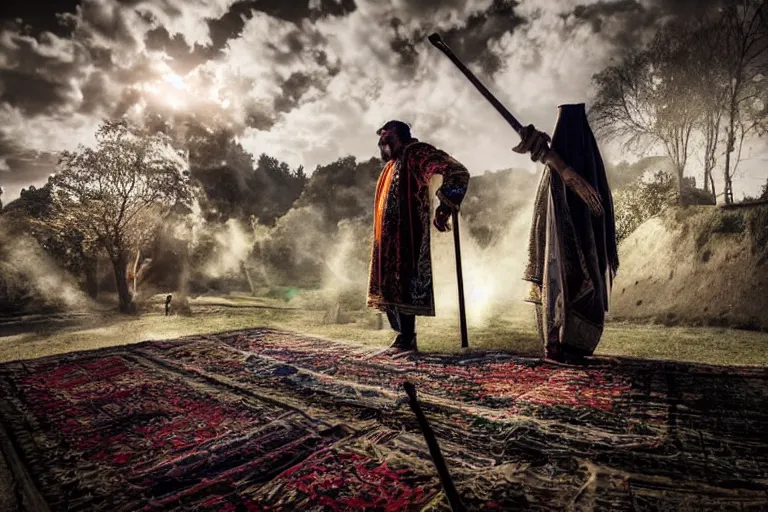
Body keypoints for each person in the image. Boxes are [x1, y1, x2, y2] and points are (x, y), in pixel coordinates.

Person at [514, 104, 619, 364]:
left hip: (578, 235)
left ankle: (568, 344)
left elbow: (595, 202)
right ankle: (555, 343)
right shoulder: (555, 166)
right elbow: (548, 159)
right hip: (559, 236)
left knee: (575, 280)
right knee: (557, 277)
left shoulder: (582, 164)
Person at [367, 120, 470, 352]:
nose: (383, 144)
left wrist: (444, 207)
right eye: (382, 141)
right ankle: (404, 336)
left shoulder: (417, 153)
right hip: (388, 237)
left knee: (405, 277)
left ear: (400, 136)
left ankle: (407, 337)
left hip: (409, 232)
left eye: (388, 139)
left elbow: (457, 171)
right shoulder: (391, 166)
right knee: (390, 283)